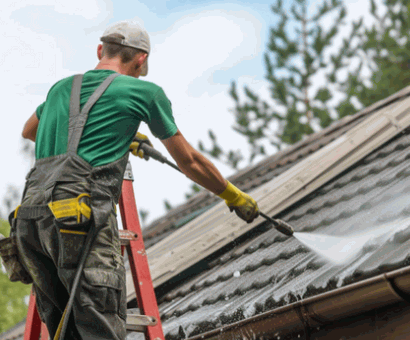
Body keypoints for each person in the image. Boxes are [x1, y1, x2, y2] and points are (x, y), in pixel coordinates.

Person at [14, 20, 259, 340]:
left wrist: (113, 135)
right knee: (99, 328)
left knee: (66, 331)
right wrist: (233, 196)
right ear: (141, 59)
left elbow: (29, 131)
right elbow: (189, 161)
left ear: (101, 50)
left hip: (31, 222)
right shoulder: (146, 92)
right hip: (77, 218)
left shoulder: (60, 88)